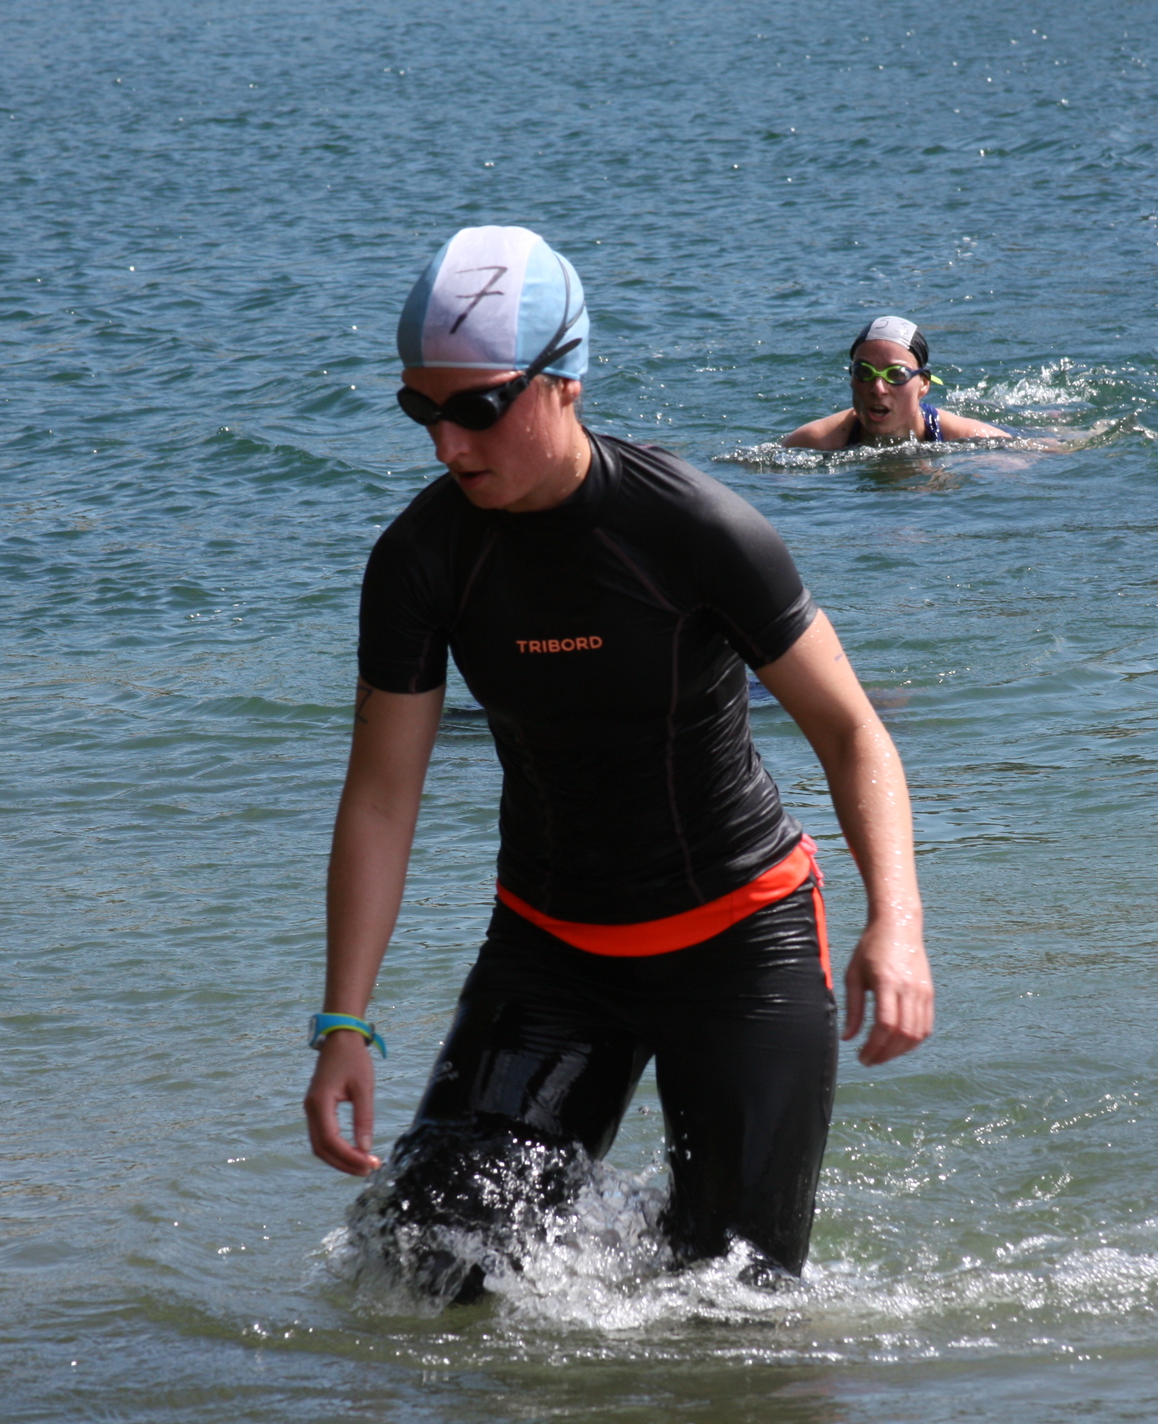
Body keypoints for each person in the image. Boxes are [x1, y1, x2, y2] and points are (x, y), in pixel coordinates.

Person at [302, 226, 935, 1302]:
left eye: (476, 407)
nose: (446, 444)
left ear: (566, 378)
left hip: (741, 948)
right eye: (421, 409)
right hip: (550, 954)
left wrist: (898, 924)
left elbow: (852, 731)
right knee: (426, 1260)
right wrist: (344, 1023)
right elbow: (380, 797)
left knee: (733, 1304)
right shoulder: (421, 558)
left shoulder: (693, 528)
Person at [781, 316, 1011, 449]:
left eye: (896, 375)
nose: (877, 388)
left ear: (923, 384)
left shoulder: (976, 440)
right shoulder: (811, 441)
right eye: (863, 372)